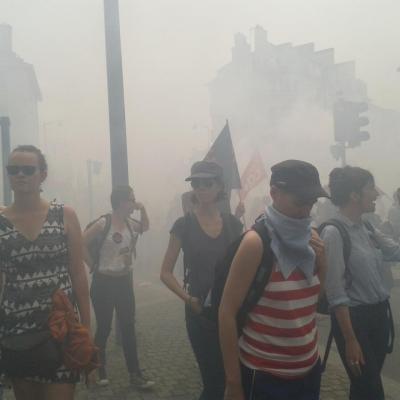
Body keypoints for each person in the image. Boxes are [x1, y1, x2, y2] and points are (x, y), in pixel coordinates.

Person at [219, 160, 327, 400]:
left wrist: (323, 262)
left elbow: (312, 303)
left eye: (311, 203)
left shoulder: (312, 237)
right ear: (274, 193)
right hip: (266, 375)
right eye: (300, 202)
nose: (306, 210)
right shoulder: (255, 243)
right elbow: (226, 312)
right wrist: (233, 383)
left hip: (309, 369)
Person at [0, 145, 90, 400]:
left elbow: (78, 274)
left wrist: (86, 329)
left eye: (28, 170)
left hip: (60, 329)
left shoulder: (64, 215)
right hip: (16, 333)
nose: (20, 175)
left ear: (42, 175)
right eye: (13, 170)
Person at [160, 160, 244, 400]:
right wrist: (188, 299)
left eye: (208, 182)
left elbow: (244, 267)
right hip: (200, 313)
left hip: (232, 311)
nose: (202, 187)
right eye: (197, 183)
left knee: (235, 378)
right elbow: (165, 272)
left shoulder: (233, 224)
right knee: (213, 381)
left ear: (220, 187)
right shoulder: (183, 224)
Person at [320, 166, 400, 400]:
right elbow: (335, 292)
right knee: (372, 390)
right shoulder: (334, 233)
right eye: (370, 189)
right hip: (354, 321)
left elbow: (395, 251)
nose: (376, 195)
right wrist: (350, 339)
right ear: (354, 195)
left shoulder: (366, 227)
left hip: (378, 316)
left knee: (363, 389)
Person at [83, 185, 154, 389]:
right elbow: (79, 242)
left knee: (128, 326)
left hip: (124, 281)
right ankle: (100, 367)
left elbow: (146, 227)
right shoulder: (103, 223)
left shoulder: (131, 224)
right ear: (121, 202)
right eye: (132, 199)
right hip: (103, 283)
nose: (134, 202)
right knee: (104, 327)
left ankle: (135, 372)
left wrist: (143, 209)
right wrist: (93, 265)